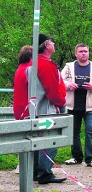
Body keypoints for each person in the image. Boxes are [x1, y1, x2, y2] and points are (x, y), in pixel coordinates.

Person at [22, 34, 67, 184]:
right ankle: (44, 173)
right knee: (51, 141)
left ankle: (35, 172)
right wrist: (61, 102)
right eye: (52, 42)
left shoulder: (32, 65)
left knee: (36, 141)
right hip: (47, 110)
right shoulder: (46, 65)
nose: (54, 44)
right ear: (47, 45)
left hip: (35, 109)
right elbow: (53, 91)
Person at [61, 44, 92, 168]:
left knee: (91, 131)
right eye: (81, 51)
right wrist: (69, 85)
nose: (83, 53)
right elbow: (60, 81)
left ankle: (91, 158)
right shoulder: (69, 67)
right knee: (73, 132)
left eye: (86, 51)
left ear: (88, 53)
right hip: (72, 105)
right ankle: (76, 157)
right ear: (76, 53)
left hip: (90, 106)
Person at [12, 45, 32, 121]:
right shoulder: (29, 70)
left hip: (18, 110)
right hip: (27, 111)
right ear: (31, 58)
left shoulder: (19, 69)